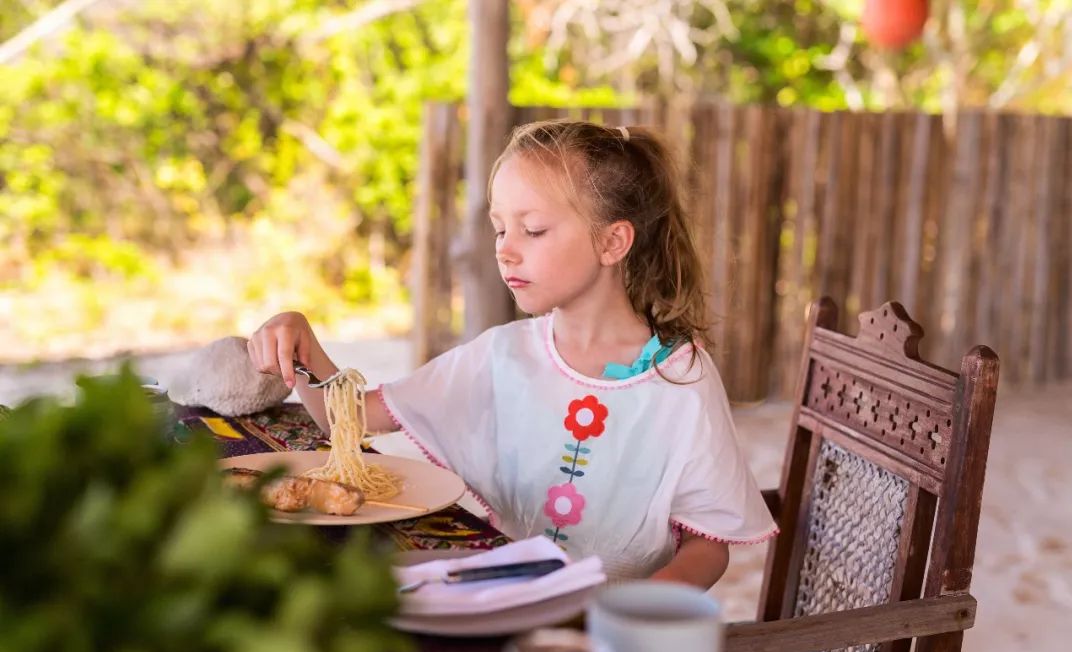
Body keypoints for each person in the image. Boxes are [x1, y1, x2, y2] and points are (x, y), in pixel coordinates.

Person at [248, 120, 777, 586]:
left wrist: (636, 615)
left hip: (614, 639)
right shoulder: (502, 355)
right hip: (508, 602)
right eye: (500, 227)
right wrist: (304, 345)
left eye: (534, 229)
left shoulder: (679, 378)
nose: (505, 247)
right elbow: (355, 418)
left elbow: (709, 546)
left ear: (612, 243)